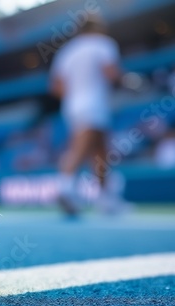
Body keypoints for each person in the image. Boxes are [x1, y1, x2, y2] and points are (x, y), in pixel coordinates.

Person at [50, 17, 124, 215]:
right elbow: (111, 73)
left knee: (100, 152)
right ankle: (64, 188)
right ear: (97, 27)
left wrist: (75, 94)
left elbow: (56, 86)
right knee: (81, 148)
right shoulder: (104, 44)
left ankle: (106, 198)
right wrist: (128, 82)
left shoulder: (67, 51)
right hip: (94, 104)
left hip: (72, 106)